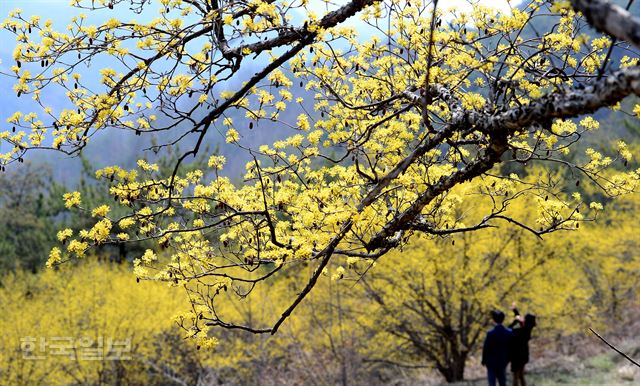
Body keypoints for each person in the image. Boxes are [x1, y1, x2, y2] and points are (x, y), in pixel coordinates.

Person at [482, 310, 513, 386]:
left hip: (491, 362)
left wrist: (484, 360)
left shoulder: (490, 333)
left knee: (492, 383)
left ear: (493, 320)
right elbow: (511, 347)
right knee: (502, 382)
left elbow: (486, 348)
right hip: (503, 361)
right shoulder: (508, 333)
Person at [508, 304, 537, 386]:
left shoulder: (519, 331)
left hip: (516, 355)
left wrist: (514, 322)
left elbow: (508, 329)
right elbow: (520, 319)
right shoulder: (527, 329)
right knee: (521, 375)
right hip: (524, 355)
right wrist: (515, 311)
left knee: (515, 376)